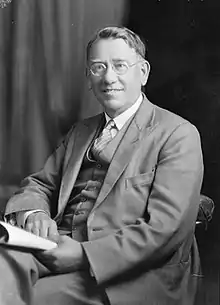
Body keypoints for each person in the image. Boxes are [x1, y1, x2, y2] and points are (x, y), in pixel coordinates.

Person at [0, 26, 203, 305]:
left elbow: (164, 229)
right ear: (88, 77)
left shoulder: (177, 134)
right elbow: (40, 184)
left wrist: (84, 255)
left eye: (120, 66)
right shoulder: (81, 131)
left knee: (33, 298)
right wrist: (36, 213)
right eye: (98, 67)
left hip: (128, 274)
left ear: (142, 72)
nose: (109, 78)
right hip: (56, 244)